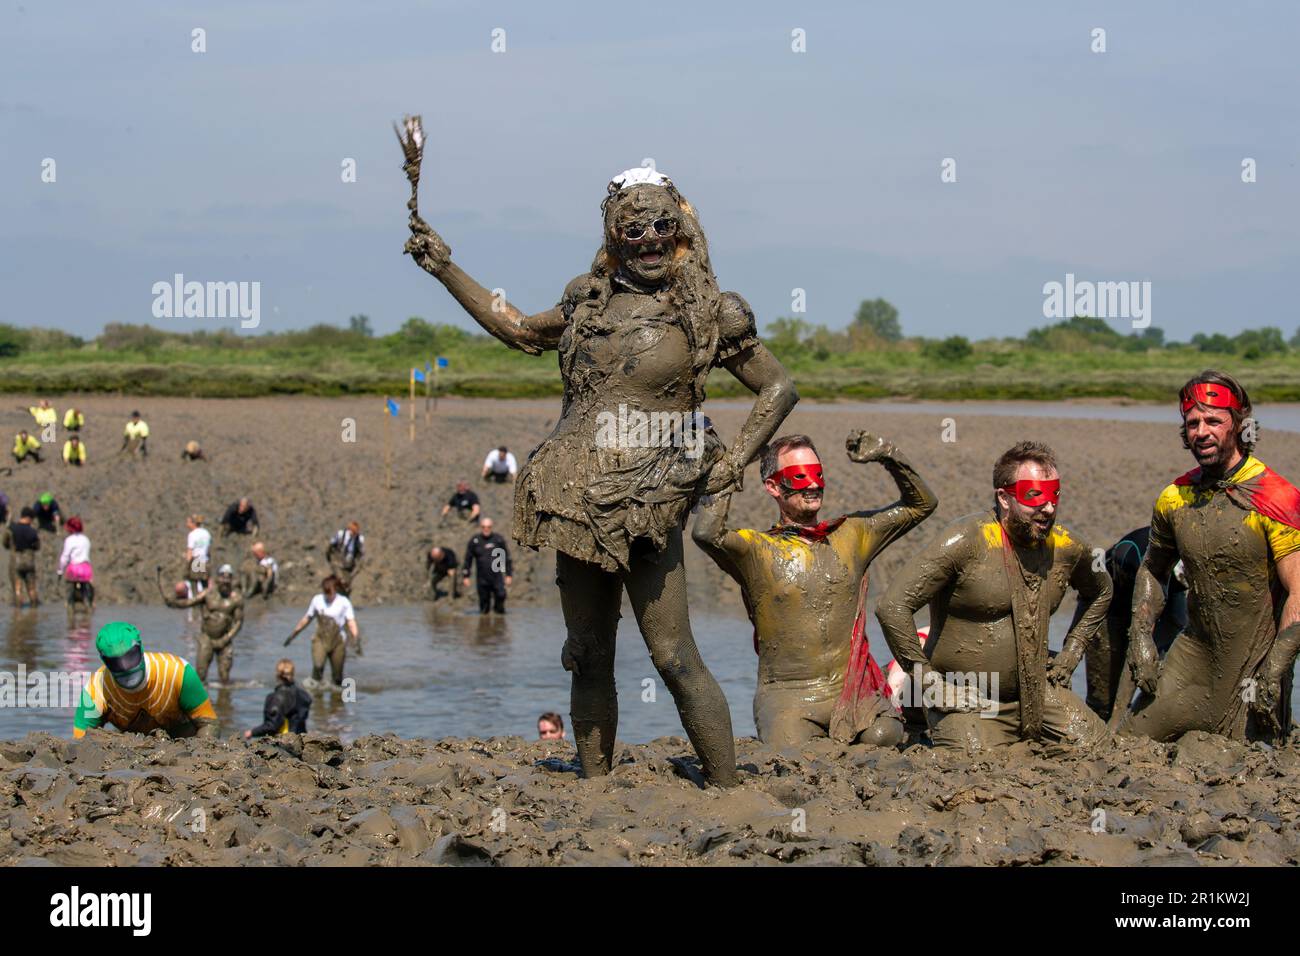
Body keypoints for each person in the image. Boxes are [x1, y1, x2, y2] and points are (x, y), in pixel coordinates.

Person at [400, 126, 798, 784]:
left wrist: (734, 461)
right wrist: (445, 267)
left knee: (672, 654)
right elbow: (520, 329)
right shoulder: (588, 302)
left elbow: (778, 387)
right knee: (586, 652)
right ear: (614, 234)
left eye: (660, 227)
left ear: (680, 228)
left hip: (648, 499)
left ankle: (728, 791)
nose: (647, 242)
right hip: (575, 496)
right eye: (632, 230)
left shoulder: (705, 310)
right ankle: (595, 786)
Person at [694, 431, 937, 749]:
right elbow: (706, 533)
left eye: (817, 474)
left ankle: (888, 688)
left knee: (884, 737)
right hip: (789, 697)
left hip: (854, 692)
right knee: (796, 754)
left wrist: (888, 454)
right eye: (799, 476)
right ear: (773, 486)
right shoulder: (755, 550)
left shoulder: (853, 534)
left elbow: (922, 505)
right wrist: (728, 469)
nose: (812, 484)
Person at [876, 441, 1112, 752]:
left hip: (1037, 691)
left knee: (1098, 748)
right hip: (966, 695)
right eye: (1034, 496)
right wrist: (931, 683)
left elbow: (1102, 590)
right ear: (1004, 497)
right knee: (978, 769)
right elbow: (892, 606)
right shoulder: (966, 541)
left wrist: (1073, 649)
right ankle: (919, 714)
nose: (1049, 508)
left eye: (1054, 495)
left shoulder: (1065, 546)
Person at [1121, 372, 1300, 743]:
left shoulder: (1276, 497)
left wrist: (1276, 667)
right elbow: (1153, 570)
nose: (1201, 431)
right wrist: (1141, 636)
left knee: (1250, 766)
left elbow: (1298, 591)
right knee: (1127, 745)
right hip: (1192, 660)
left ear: (1239, 425)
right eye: (1192, 423)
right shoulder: (1174, 497)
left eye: (1214, 421)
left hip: (1254, 665)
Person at [1078, 526, 1188, 721]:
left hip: (1168, 594)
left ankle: (1134, 724)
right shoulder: (1147, 557)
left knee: (1161, 675)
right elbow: (1139, 644)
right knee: (1102, 701)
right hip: (1111, 596)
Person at [73, 622, 219, 739]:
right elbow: (81, 742)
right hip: (133, 746)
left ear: (141, 649)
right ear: (105, 662)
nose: (126, 668)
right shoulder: (95, 690)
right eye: (116, 662)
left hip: (184, 738)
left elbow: (209, 723)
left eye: (131, 657)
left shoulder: (177, 672)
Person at [160, 563, 245, 686]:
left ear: (232, 580)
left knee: (224, 677)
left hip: (225, 640)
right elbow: (189, 602)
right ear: (217, 578)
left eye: (228, 577)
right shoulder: (208, 594)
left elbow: (238, 622)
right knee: (201, 674)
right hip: (206, 638)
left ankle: (224, 703)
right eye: (222, 577)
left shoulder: (236, 598)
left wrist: (226, 639)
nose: (225, 581)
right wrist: (172, 602)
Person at [284, 575, 361, 687]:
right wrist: (293, 635)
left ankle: (336, 695)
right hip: (320, 639)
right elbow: (307, 619)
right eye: (325, 592)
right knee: (318, 665)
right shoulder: (317, 600)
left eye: (329, 592)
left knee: (338, 677)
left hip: (338, 641)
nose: (327, 595)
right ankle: (315, 688)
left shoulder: (344, 602)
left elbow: (351, 622)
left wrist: (356, 639)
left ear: (335, 589)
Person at [244, 659, 312, 738]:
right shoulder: (303, 694)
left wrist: (252, 732)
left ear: (277, 675)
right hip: (301, 739)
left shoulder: (275, 698)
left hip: (285, 742)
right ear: (293, 674)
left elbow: (272, 726)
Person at [463, 517, 512, 614]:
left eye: (488, 527)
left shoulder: (498, 539)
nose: (486, 529)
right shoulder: (475, 540)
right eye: (484, 527)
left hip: (497, 575)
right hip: (482, 577)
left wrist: (508, 574)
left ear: (491, 527)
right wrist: (466, 576)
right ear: (481, 527)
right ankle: (485, 626)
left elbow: (506, 558)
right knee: (484, 606)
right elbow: (468, 559)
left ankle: (499, 621)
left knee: (501, 595)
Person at [2, 507, 40, 607]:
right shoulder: (33, 531)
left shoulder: (11, 529)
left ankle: (18, 613)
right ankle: (34, 610)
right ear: (29, 518)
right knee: (32, 589)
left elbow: (5, 543)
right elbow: (37, 546)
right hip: (29, 562)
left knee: (17, 589)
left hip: (16, 562)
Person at [57, 515, 94, 617]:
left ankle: (70, 612)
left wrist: (60, 570)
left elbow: (65, 557)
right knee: (86, 593)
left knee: (70, 593)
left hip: (74, 569)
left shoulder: (69, 540)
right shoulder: (86, 539)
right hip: (86, 569)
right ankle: (88, 609)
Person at [326, 522, 364, 596]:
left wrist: (359, 564)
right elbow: (330, 546)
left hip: (349, 564)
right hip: (338, 562)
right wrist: (329, 557)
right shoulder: (341, 535)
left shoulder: (359, 539)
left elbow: (361, 553)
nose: (353, 534)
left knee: (347, 584)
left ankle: (345, 600)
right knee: (341, 580)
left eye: (355, 532)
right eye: (352, 531)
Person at [184, 514, 212, 595]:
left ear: (193, 523)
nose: (187, 524)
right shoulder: (207, 533)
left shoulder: (192, 534)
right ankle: (206, 600)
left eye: (188, 522)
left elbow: (190, 551)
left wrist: (188, 565)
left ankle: (196, 602)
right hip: (205, 560)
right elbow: (208, 549)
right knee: (204, 584)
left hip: (197, 560)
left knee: (194, 583)